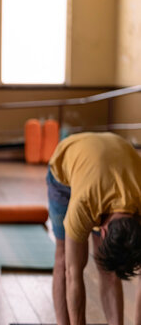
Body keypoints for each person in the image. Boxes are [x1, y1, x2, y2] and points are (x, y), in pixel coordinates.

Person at [47, 132, 141, 325]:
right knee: (65, 260)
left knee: (109, 270)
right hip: (67, 165)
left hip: (112, 152)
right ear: (102, 231)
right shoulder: (83, 205)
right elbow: (73, 276)